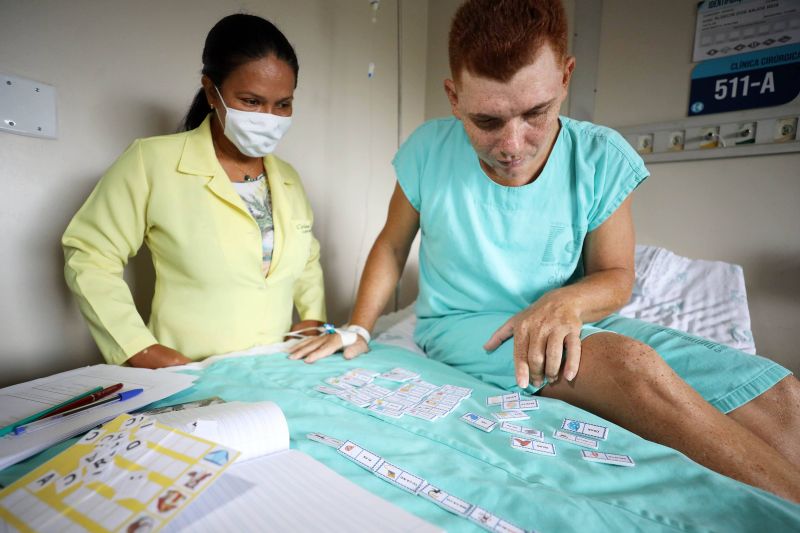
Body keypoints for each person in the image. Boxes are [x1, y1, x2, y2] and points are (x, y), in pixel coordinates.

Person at [290, 0, 800, 503]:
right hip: (466, 322)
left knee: (781, 399)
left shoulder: (600, 157)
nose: (513, 144)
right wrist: (358, 325)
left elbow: (617, 275)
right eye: (487, 121)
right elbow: (392, 242)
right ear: (453, 96)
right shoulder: (427, 151)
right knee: (630, 366)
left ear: (566, 77)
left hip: (567, 313)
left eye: (535, 113)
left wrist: (567, 303)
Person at [63, 14, 326, 369]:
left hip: (273, 370)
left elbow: (307, 258)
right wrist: (137, 348)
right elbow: (90, 254)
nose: (269, 117)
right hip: (187, 374)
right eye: (251, 101)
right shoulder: (152, 162)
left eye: (283, 104)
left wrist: (312, 317)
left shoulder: (289, 179)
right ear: (211, 91)